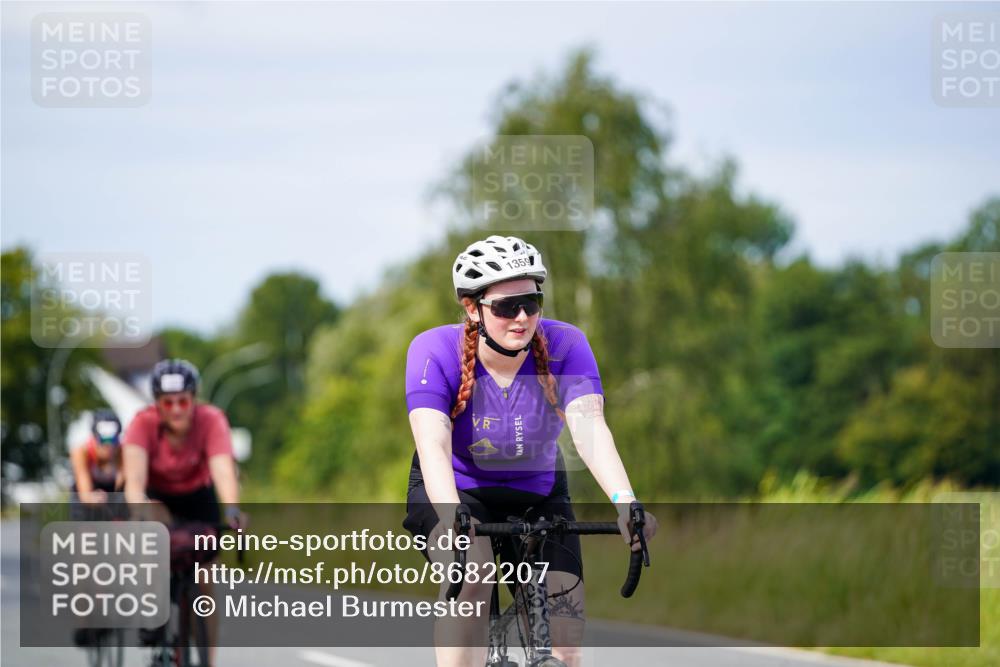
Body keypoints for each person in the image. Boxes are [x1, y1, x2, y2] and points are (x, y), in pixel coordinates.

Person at [403, 235, 658, 667]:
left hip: (539, 493)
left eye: (532, 302)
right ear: (473, 307)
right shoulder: (433, 350)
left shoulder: (566, 344)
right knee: (475, 575)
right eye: (505, 307)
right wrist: (450, 516)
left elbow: (589, 428)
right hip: (458, 489)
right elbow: (433, 442)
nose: (522, 317)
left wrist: (625, 502)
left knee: (566, 639)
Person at [122, 358, 244, 666]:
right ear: (158, 404)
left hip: (198, 497)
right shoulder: (142, 423)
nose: (176, 409)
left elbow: (223, 470)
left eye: (183, 401)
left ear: (194, 399)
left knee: (205, 580)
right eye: (168, 402)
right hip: (158, 498)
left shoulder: (211, 420)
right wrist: (139, 508)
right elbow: (134, 478)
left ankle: (207, 660)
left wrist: (232, 509)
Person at [69, 408, 123, 507]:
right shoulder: (82, 452)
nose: (108, 446)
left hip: (111, 493)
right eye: (104, 440)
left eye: (113, 440)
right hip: (88, 494)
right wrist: (91, 498)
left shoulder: (123, 452)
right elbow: (84, 492)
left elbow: (125, 487)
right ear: (94, 438)